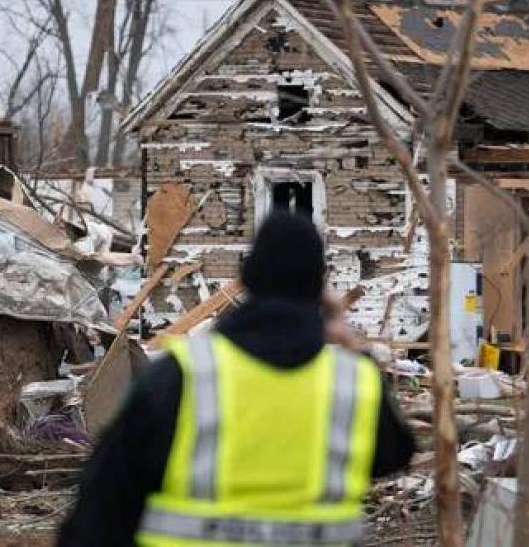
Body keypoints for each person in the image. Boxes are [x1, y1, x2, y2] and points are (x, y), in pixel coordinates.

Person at [58, 213, 415, 546]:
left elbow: (102, 507)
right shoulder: (352, 383)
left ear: (250, 277)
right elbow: (395, 455)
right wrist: (351, 344)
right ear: (320, 287)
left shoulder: (183, 375)